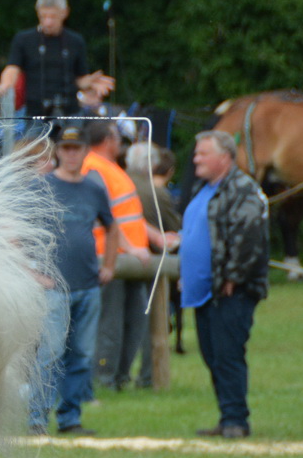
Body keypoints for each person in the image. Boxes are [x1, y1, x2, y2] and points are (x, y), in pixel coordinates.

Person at [30, 126, 118, 436]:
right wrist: (32, 274)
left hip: (88, 286)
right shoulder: (39, 187)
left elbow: (112, 225)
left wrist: (109, 264)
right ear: (57, 151)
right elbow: (15, 232)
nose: (71, 154)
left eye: (76, 148)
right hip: (53, 287)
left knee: (82, 354)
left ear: (85, 152)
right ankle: (36, 421)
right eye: (65, 148)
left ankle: (70, 419)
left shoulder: (95, 188)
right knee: (49, 354)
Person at [182, 130, 270, 439]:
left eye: (203, 153)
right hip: (206, 291)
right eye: (196, 153)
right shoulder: (204, 188)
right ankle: (226, 416)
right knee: (211, 354)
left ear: (225, 157)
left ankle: (236, 420)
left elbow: (249, 235)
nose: (196, 159)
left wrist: (233, 276)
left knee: (228, 354)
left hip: (230, 291)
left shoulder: (241, 188)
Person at [83, 120, 156, 392]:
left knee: (134, 320)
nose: (120, 143)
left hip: (133, 260)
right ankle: (105, 378)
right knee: (111, 324)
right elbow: (105, 218)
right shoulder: (94, 169)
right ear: (106, 140)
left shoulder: (111, 169)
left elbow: (127, 215)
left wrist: (156, 238)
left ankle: (120, 376)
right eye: (116, 137)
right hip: (112, 258)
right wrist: (129, 247)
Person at [0, 0, 114, 132]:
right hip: (36, 113)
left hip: (69, 112)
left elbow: (79, 79)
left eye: (53, 17)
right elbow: (13, 68)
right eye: (43, 16)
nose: (48, 22)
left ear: (64, 13)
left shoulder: (76, 41)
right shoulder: (23, 40)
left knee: (73, 147)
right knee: (34, 149)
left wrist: (89, 82)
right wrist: (6, 84)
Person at [125, 143, 181, 387]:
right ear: (154, 164)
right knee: (153, 322)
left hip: (120, 259)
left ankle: (118, 376)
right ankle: (149, 376)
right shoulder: (156, 193)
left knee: (121, 324)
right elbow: (174, 227)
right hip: (152, 263)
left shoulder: (118, 184)